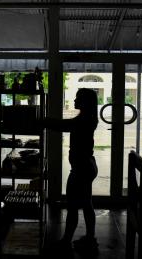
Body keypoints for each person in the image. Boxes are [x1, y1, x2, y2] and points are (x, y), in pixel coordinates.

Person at [41, 88, 99, 254]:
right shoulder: (87, 118)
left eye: (77, 98)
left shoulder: (83, 120)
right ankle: (90, 238)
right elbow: (66, 124)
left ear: (85, 102)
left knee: (73, 206)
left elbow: (63, 125)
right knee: (87, 204)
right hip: (87, 166)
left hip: (81, 169)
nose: (74, 100)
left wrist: (44, 121)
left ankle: (66, 240)